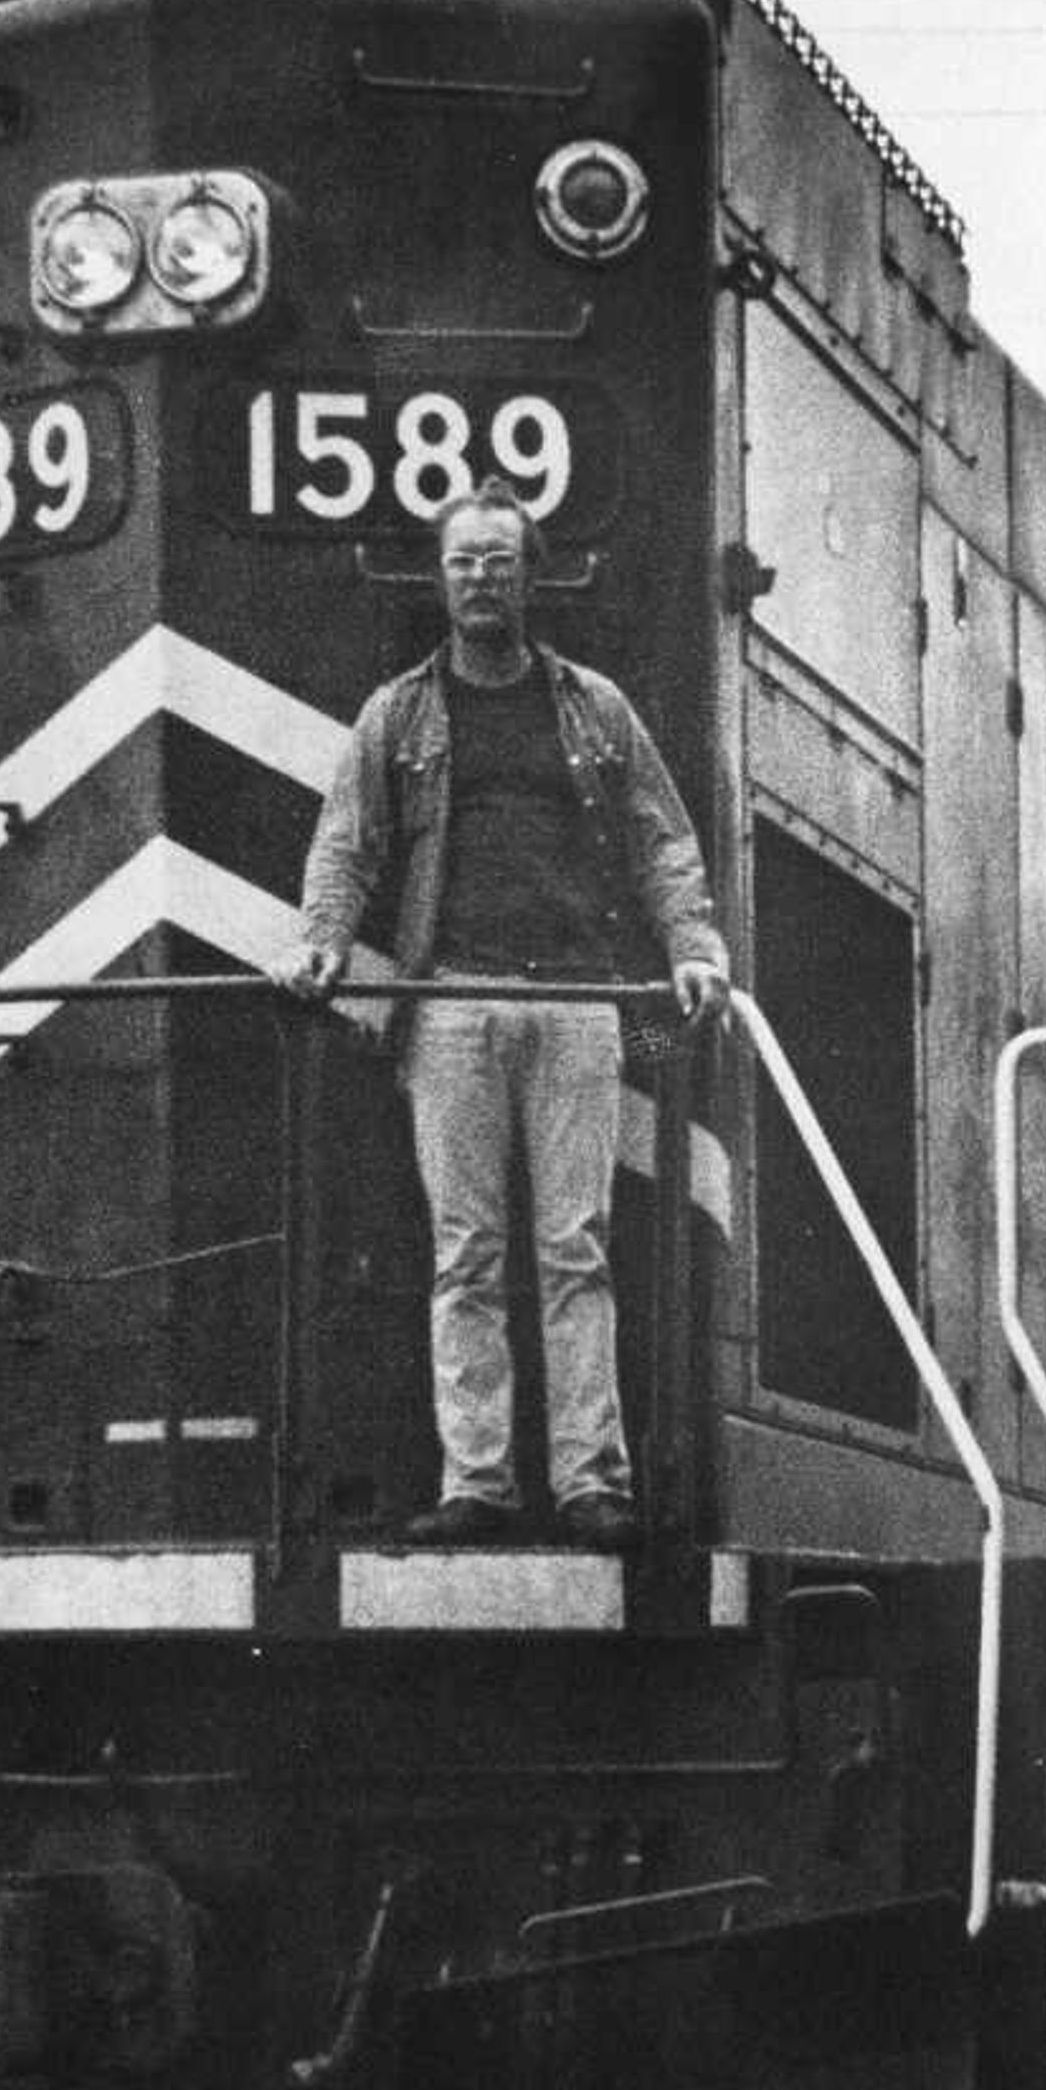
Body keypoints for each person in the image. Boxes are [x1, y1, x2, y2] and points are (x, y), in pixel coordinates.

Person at [279, 486, 727, 1546]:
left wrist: (695, 950)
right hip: (452, 1008)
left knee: (578, 1247)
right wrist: (322, 939)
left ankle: (589, 1483)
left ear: (531, 576)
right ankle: (477, 1481)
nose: (480, 579)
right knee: (466, 1252)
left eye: (498, 561)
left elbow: (663, 840)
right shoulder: (398, 713)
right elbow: (349, 843)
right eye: (463, 563)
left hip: (576, 1007)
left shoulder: (595, 709)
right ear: (442, 581)